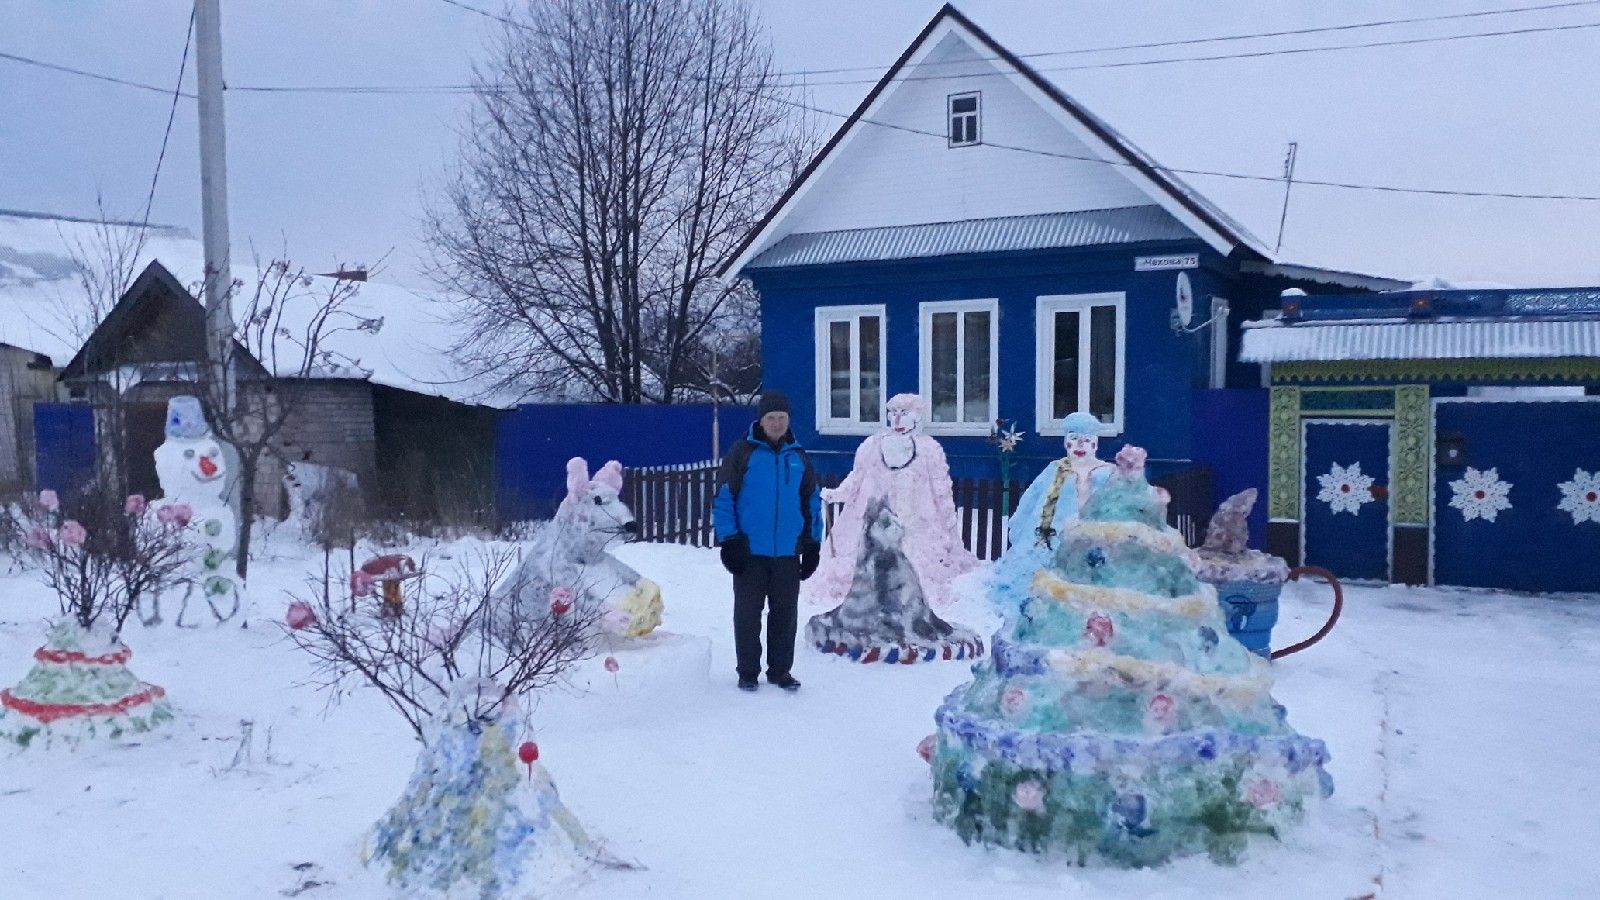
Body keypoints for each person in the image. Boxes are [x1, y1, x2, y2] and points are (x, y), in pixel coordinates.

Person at [712, 390, 823, 692]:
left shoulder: (798, 457)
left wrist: (812, 544)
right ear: (761, 420)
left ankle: (780, 671)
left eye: (781, 418)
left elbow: (811, 501)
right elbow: (724, 498)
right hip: (749, 552)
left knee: (784, 616)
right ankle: (748, 671)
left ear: (788, 421)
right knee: (747, 616)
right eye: (771, 418)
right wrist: (729, 540)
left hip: (787, 553)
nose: (776, 423)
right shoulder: (743, 453)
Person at [993, 412, 1116, 589]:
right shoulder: (1055, 469)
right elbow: (1032, 496)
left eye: (1086, 440)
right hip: (1048, 536)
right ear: (1065, 442)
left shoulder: (1107, 472)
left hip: (1095, 538)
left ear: (1095, 444)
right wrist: (1019, 521)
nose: (1079, 445)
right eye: (1074, 438)